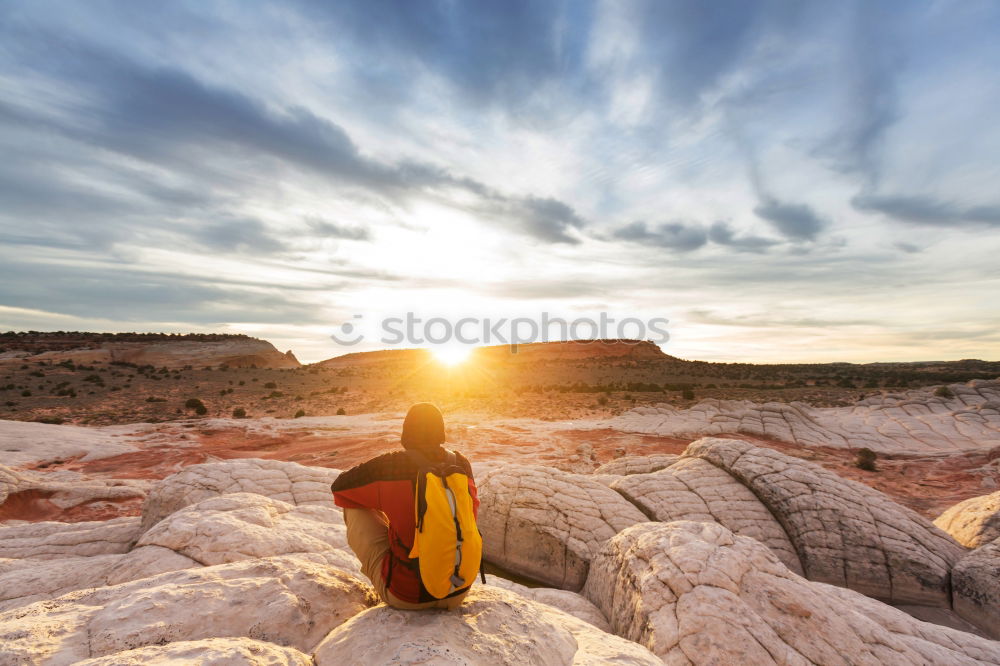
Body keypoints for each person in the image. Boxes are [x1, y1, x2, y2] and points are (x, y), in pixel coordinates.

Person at [331, 402, 479, 609]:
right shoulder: (461, 464)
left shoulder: (391, 465)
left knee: (353, 505)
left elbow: (339, 488)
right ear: (441, 432)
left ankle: (391, 570)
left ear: (406, 432)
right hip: (458, 591)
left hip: (407, 595)